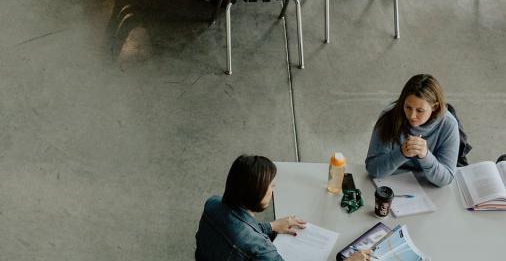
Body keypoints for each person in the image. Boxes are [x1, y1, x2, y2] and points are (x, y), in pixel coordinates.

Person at [195, 155, 359, 261]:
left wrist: (271, 226)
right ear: (256, 194)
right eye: (271, 186)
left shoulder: (213, 204)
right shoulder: (260, 248)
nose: (274, 189)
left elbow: (236, 228)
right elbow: (247, 241)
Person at [365, 74, 461, 187]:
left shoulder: (448, 125)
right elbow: (373, 169)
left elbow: (446, 179)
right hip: (391, 181)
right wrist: (401, 153)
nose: (412, 116)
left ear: (434, 107)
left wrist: (425, 156)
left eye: (420, 110)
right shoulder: (389, 116)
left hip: (427, 185)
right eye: (408, 107)